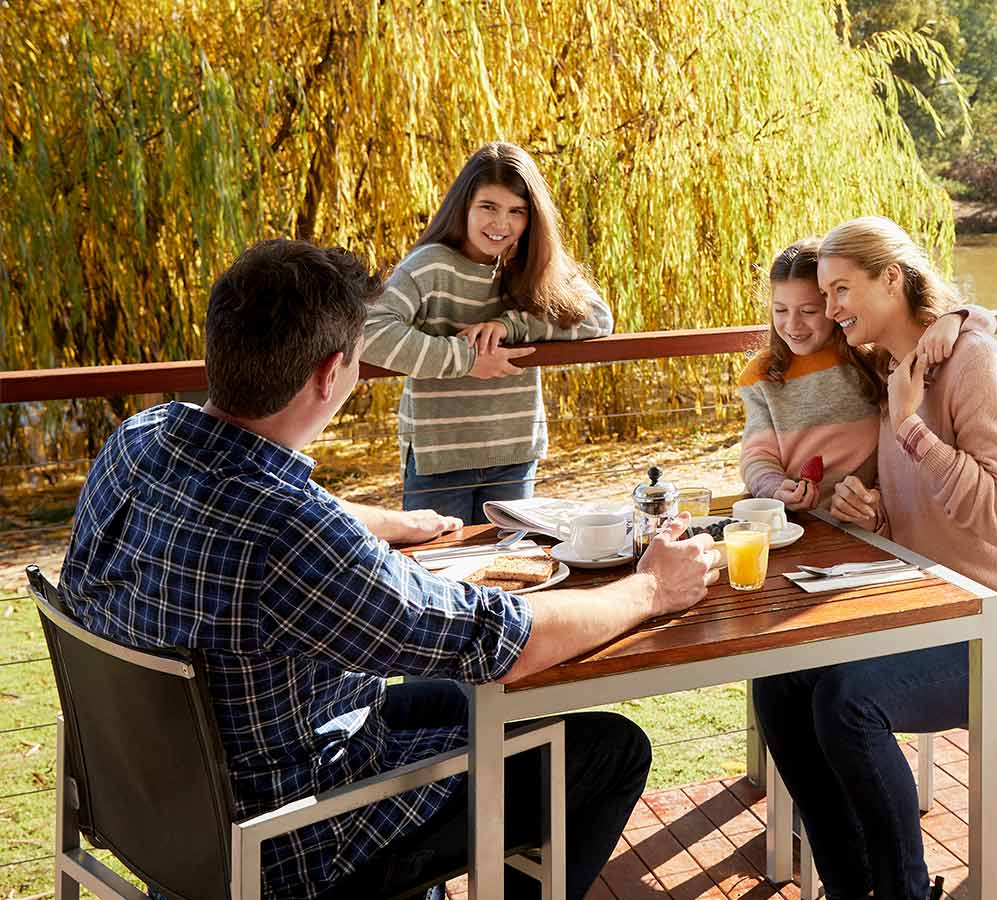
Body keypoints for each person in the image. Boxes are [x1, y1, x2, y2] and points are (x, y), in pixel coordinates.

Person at [57, 239, 718, 900]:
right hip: (293, 848)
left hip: (166, 811)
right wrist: (653, 588)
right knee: (606, 750)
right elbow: (501, 640)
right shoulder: (292, 536)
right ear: (330, 374)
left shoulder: (141, 440)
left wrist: (390, 522)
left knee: (461, 700)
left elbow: (244, 494)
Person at [751, 217, 997, 900]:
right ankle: (851, 886)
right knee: (779, 682)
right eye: (824, 294)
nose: (829, 309)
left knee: (847, 704)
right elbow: (933, 516)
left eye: (840, 290)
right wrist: (878, 515)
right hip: (938, 612)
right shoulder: (895, 368)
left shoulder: (976, 366)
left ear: (892, 278)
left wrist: (912, 427)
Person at [362, 142, 613, 524]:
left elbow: (598, 318)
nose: (500, 224)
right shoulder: (429, 266)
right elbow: (370, 331)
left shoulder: (533, 266)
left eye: (517, 211)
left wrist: (511, 325)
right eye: (488, 207)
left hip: (514, 453)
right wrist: (468, 360)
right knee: (439, 557)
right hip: (441, 459)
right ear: (463, 205)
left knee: (508, 557)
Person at [738, 237, 995, 510]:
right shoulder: (761, 375)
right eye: (780, 310)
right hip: (788, 519)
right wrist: (775, 489)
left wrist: (953, 318)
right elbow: (757, 455)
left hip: (860, 518)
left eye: (809, 311)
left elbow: (983, 319)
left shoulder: (873, 358)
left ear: (832, 307)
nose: (793, 324)